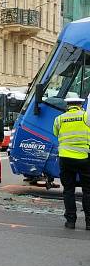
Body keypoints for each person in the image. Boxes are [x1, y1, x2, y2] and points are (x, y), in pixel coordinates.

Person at [53, 96, 90, 229]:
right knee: (88, 191)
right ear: (80, 105)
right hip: (84, 157)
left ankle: (70, 221)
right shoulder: (86, 116)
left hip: (65, 158)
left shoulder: (60, 118)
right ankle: (89, 222)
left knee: (68, 190)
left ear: (67, 105)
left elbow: (55, 133)